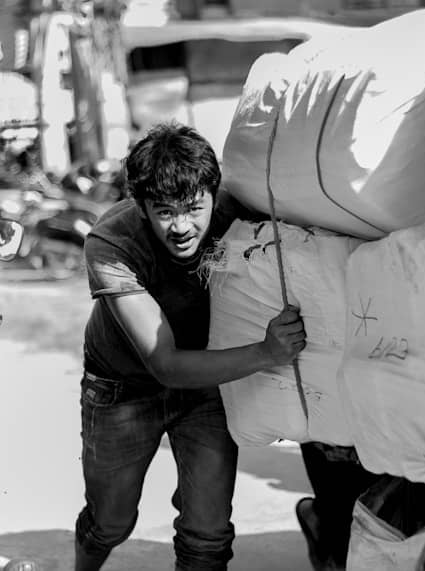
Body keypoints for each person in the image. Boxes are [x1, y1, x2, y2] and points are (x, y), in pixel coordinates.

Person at [74, 122, 306, 570]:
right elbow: (165, 364)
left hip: (209, 384)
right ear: (140, 208)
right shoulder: (111, 243)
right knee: (110, 522)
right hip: (122, 389)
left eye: (192, 208)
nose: (181, 226)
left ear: (212, 195)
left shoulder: (236, 211)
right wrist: (266, 353)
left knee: (208, 534)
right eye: (164, 211)